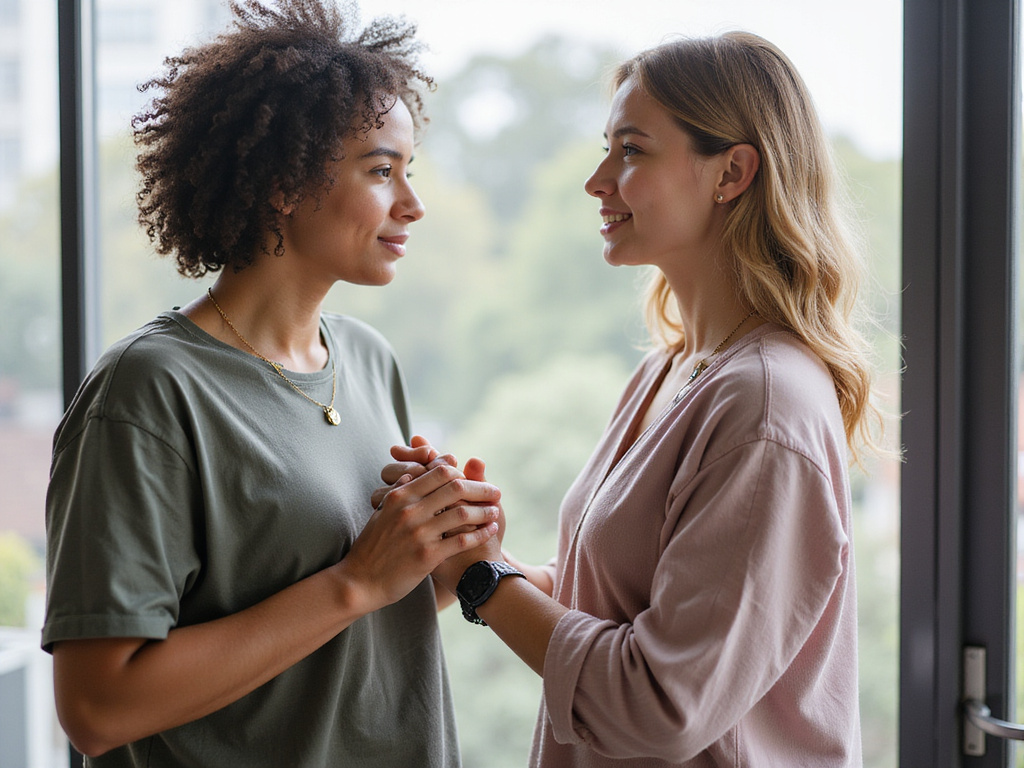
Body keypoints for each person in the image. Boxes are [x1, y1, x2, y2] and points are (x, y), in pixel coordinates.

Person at [379, 31, 876, 767]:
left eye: (632, 151)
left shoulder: (766, 407)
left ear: (732, 172)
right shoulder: (671, 371)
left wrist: (486, 582)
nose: (597, 180)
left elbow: (659, 705)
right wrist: (469, 547)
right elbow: (610, 602)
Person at [41, 2, 501, 765]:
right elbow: (96, 708)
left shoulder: (367, 358)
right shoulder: (148, 391)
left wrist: (434, 560)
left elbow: (348, 635)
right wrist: (355, 581)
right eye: (382, 170)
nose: (413, 204)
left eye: (408, 172)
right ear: (285, 183)